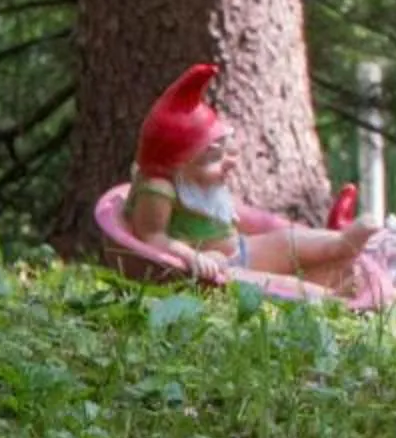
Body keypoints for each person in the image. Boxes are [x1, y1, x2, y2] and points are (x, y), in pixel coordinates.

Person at [123, 64, 378, 295]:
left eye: (226, 150)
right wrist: (192, 258)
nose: (229, 162)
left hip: (239, 249)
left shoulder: (197, 186)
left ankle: (340, 244)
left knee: (287, 241)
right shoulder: (158, 188)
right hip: (218, 268)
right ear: (176, 164)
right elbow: (152, 236)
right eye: (213, 157)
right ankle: (330, 299)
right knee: (272, 283)